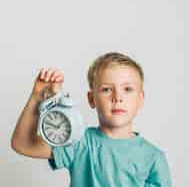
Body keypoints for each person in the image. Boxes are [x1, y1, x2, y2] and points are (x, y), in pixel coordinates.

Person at [11, 52, 172, 186]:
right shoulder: (79, 142)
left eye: (128, 89)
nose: (117, 97)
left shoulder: (153, 158)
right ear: (91, 99)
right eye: (106, 89)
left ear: (140, 99)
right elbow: (22, 144)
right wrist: (37, 97)